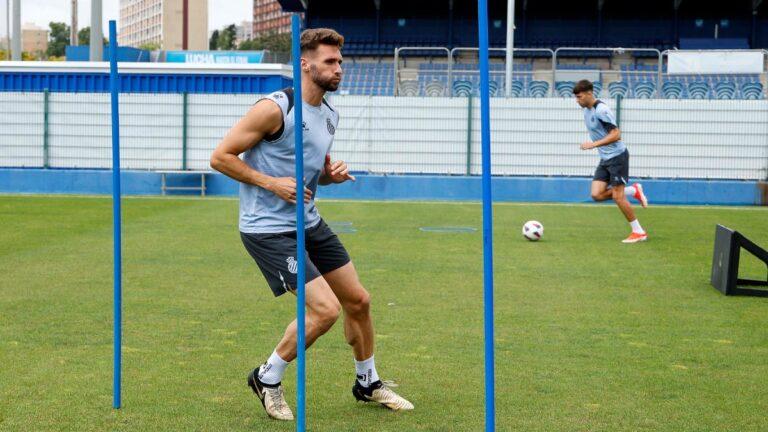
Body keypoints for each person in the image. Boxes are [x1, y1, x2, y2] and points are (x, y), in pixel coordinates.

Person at [209, 28, 414, 421]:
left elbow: (309, 169)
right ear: (305, 64)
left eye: (340, 61)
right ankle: (267, 377)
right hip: (268, 229)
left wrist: (330, 174)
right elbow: (220, 157)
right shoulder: (275, 109)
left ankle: (367, 382)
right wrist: (270, 183)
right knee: (324, 310)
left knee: (359, 301)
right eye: (330, 62)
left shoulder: (330, 114)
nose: (339, 69)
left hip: (308, 221)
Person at [573, 79, 649, 243]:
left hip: (617, 157)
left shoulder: (602, 110)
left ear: (589, 93)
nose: (577, 101)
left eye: (579, 97)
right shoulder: (587, 110)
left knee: (617, 197)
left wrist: (593, 144)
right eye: (576, 98)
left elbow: (616, 134)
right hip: (605, 158)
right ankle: (633, 190)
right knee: (596, 194)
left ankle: (639, 231)